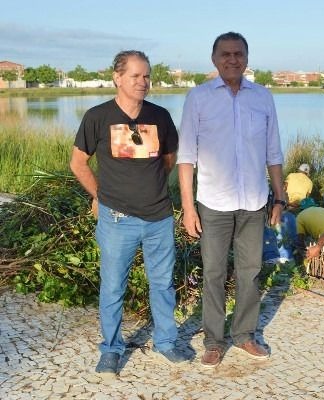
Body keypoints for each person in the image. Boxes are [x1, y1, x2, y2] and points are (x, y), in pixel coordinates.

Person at [69, 50, 188, 377]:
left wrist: (148, 187)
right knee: (112, 288)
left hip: (159, 218)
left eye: (146, 76)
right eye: (135, 76)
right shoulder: (97, 117)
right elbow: (78, 163)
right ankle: (111, 349)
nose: (142, 82)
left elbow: (168, 160)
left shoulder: (160, 116)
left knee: (162, 284)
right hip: (117, 220)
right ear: (117, 78)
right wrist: (101, 196)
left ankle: (166, 342)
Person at [177, 32, 285, 369]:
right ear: (214, 59)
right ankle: (213, 341)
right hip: (213, 202)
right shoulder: (198, 98)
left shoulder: (263, 97)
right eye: (225, 54)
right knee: (213, 272)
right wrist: (188, 207)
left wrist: (280, 198)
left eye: (238, 54)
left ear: (247, 59)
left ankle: (244, 334)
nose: (232, 59)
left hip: (254, 202)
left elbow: (273, 152)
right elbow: (186, 157)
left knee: (250, 271)